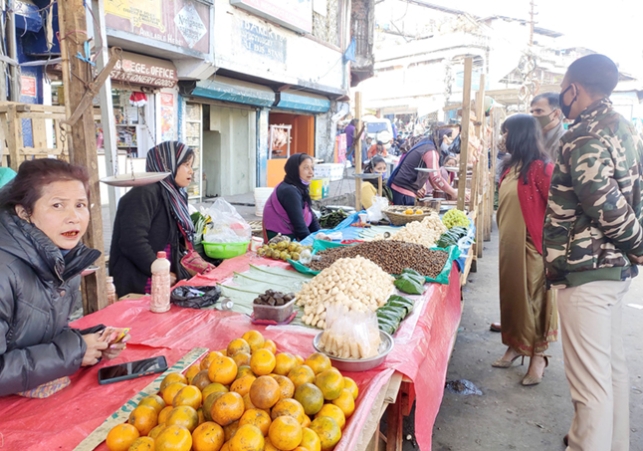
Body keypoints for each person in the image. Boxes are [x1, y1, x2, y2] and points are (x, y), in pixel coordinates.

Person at [544, 54, 643, 451]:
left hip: (587, 272)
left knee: (590, 386)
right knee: (612, 371)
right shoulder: (624, 129)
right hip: (611, 272)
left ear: (575, 89)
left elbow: (604, 202)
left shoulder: (583, 134)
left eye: (564, 89)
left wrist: (639, 247)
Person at [0, 159, 127, 397]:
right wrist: (74, 352)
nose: (74, 217)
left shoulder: (63, 261)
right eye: (58, 205)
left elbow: (39, 334)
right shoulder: (4, 270)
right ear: (24, 213)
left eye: (80, 205)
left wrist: (91, 342)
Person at [492, 114, 558, 386]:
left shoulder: (541, 168)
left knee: (535, 301)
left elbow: (557, 210)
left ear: (519, 136)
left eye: (506, 133)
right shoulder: (510, 166)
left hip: (532, 247)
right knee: (512, 297)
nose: (503, 138)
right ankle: (515, 346)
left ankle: (537, 357)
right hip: (509, 244)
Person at [110, 141, 195, 297]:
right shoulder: (144, 193)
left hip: (161, 276)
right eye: (186, 164)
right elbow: (132, 241)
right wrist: (160, 271)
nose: (191, 171)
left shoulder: (172, 194)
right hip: (142, 280)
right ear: (169, 165)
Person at [388, 127, 458, 205]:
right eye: (450, 140)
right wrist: (454, 193)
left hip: (400, 190)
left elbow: (431, 173)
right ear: (443, 138)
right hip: (404, 193)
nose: (450, 144)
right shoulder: (431, 151)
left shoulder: (426, 144)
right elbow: (436, 177)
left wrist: (436, 188)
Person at [263, 153, 320, 241]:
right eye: (306, 167)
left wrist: (320, 234)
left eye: (311, 168)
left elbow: (310, 215)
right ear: (294, 169)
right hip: (281, 238)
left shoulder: (298, 187)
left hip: (292, 233)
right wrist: (313, 243)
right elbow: (299, 226)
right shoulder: (289, 191)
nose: (311, 172)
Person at [530, 92, 566, 159]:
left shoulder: (566, 141)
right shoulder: (530, 139)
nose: (533, 115)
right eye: (532, 112)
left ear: (556, 114)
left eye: (539, 111)